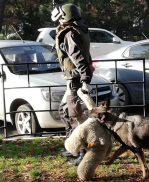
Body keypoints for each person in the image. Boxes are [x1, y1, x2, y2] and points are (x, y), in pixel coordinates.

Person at [51, 4, 95, 166]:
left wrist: (85, 81)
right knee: (64, 111)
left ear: (64, 16)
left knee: (75, 115)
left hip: (76, 79)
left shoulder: (69, 33)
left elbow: (78, 58)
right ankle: (73, 147)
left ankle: (82, 153)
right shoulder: (79, 28)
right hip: (74, 78)